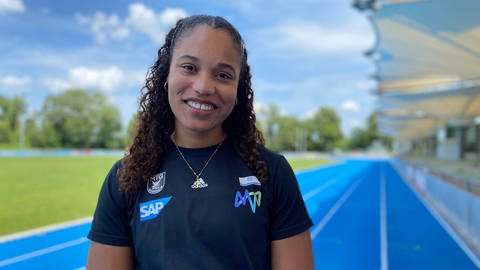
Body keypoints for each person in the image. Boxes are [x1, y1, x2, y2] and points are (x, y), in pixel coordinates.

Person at [86, 14, 314, 270]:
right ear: (166, 74)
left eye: (223, 75)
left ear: (239, 88)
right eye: (189, 68)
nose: (204, 86)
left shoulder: (271, 172)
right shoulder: (125, 178)